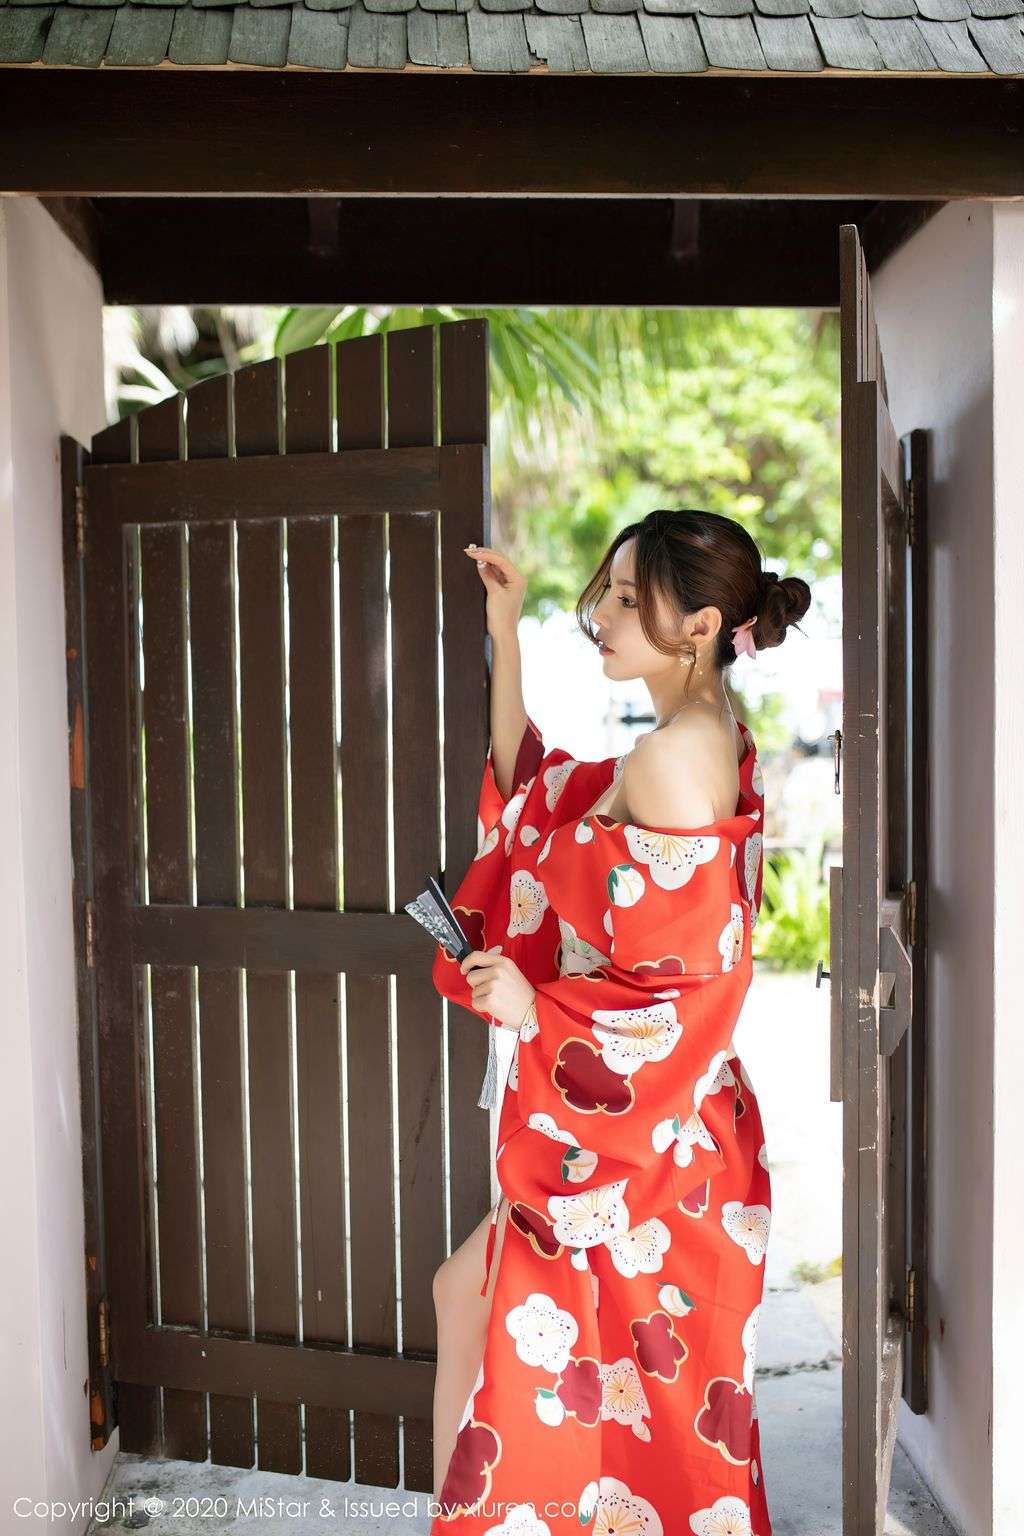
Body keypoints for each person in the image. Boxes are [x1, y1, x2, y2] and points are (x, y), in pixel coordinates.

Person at [429, 508, 811, 1536]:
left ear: (700, 626)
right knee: (582, 1370)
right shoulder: (707, 738)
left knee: (600, 1388)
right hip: (667, 1123)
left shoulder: (667, 765)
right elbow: (537, 798)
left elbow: (695, 990)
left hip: (642, 1134)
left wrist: (537, 1008)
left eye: (629, 599)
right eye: (607, 591)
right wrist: (505, 632)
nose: (600, 613)